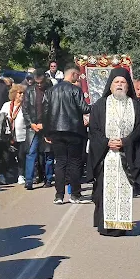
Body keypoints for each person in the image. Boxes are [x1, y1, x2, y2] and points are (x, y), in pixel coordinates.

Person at [89, 68, 140, 236]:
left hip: (125, 156)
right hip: (105, 156)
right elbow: (94, 129)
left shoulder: (134, 105)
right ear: (110, 86)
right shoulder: (100, 105)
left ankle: (121, 224)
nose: (120, 85)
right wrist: (107, 142)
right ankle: (105, 225)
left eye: (123, 82)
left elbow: (139, 130)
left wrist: (125, 142)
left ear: (128, 86)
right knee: (104, 191)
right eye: (117, 82)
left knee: (124, 190)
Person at [43, 66, 91, 204]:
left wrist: (47, 132)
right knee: (75, 162)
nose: (79, 78)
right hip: (73, 130)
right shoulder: (75, 90)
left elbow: (45, 112)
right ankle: (75, 194)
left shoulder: (51, 91)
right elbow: (84, 108)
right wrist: (95, 105)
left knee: (60, 162)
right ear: (73, 74)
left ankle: (59, 195)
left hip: (56, 131)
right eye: (78, 75)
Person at [22, 70, 52, 190]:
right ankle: (29, 180)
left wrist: (45, 125)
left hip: (46, 127)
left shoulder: (50, 91)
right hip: (33, 127)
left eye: (41, 82)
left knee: (48, 154)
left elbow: (52, 110)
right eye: (37, 83)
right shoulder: (29, 91)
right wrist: (31, 124)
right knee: (31, 153)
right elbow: (25, 110)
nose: (39, 85)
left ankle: (48, 179)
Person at [0, 84, 27, 186]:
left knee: (21, 156)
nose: (22, 95)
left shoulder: (25, 105)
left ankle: (21, 175)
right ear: (14, 94)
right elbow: (0, 118)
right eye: (20, 93)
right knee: (6, 156)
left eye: (23, 93)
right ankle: (2, 175)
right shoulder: (6, 105)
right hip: (7, 136)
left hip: (21, 135)